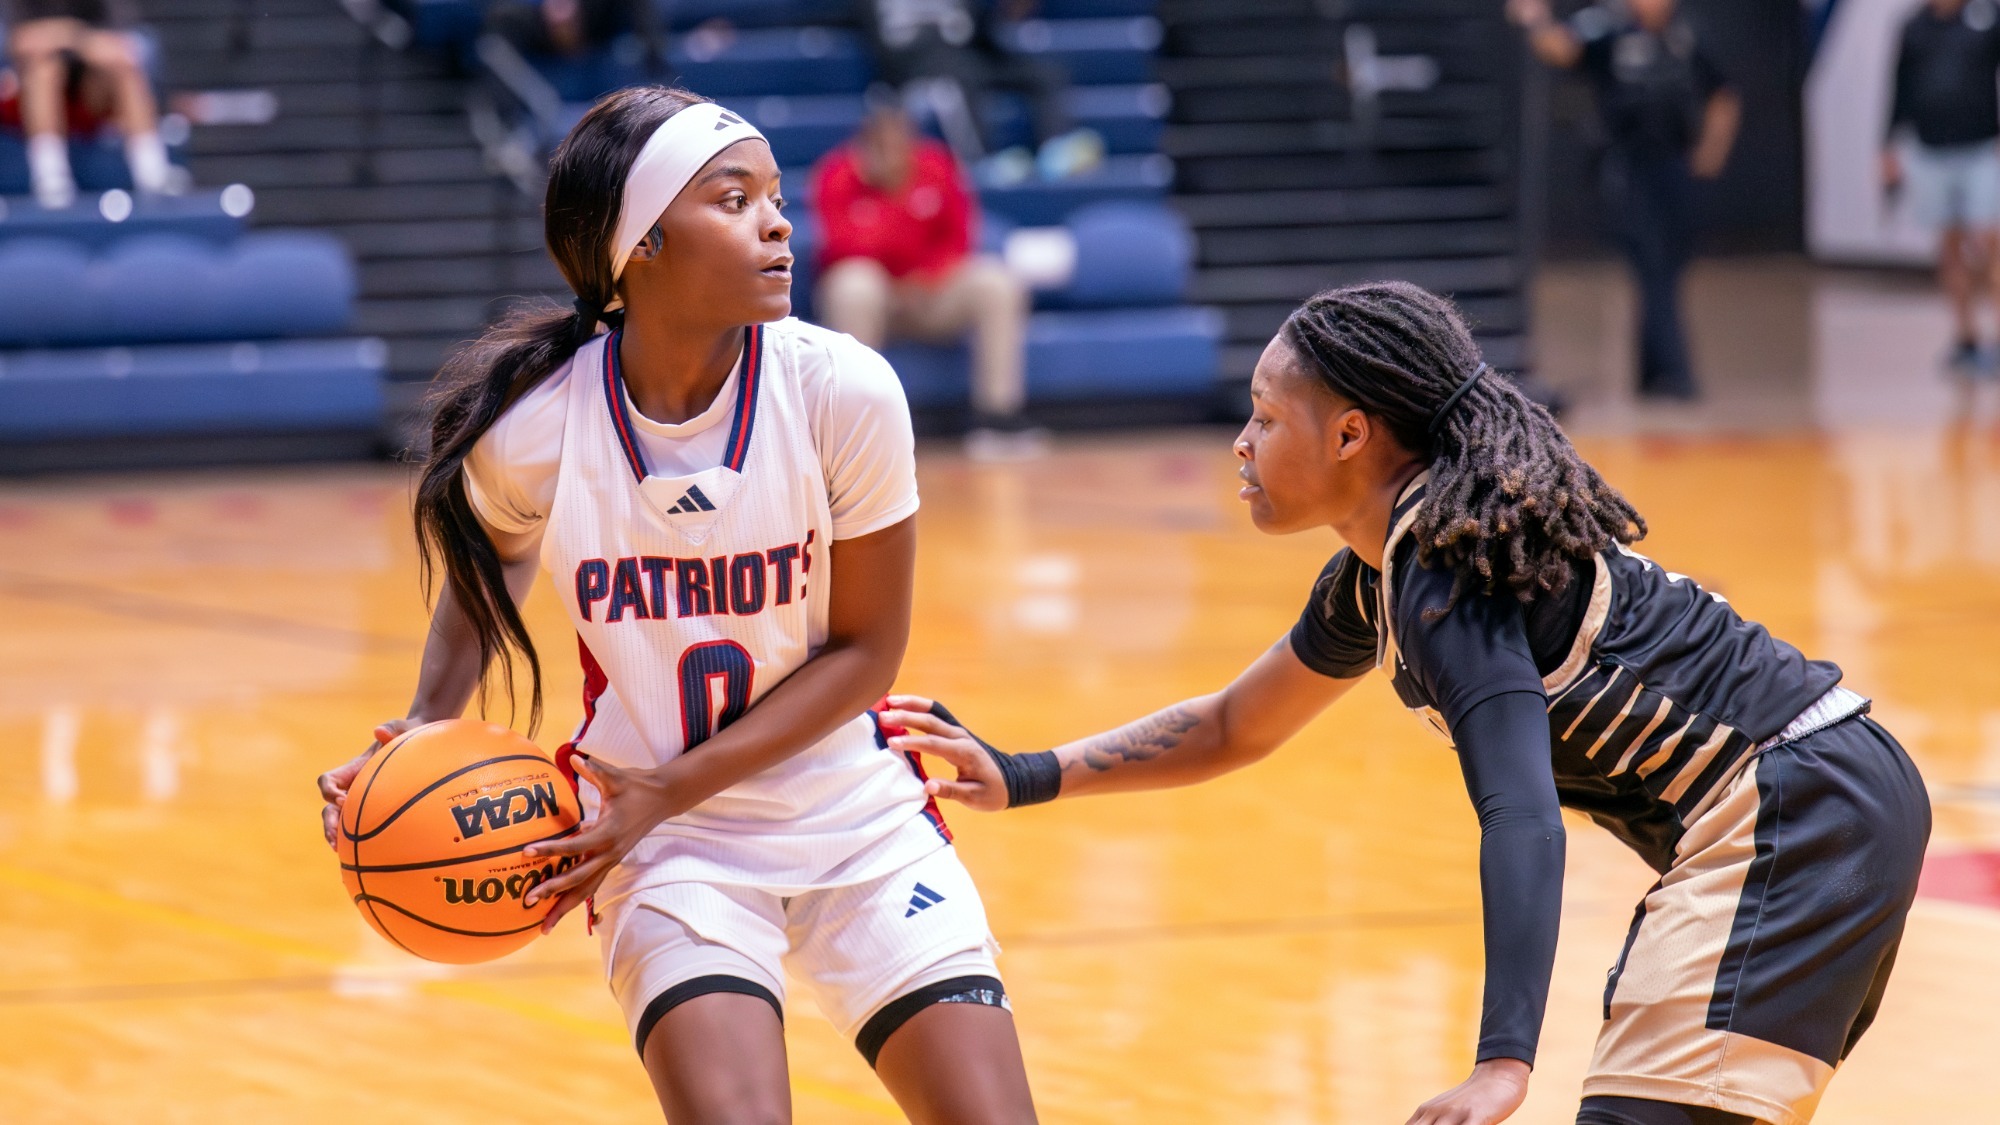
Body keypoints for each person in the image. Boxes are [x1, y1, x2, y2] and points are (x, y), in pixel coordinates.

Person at [888, 282, 1930, 1125]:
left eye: (1264, 419)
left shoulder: (1444, 570)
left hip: (1794, 810)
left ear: (1350, 435)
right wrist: (1023, 774)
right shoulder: (1379, 575)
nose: (1240, 444)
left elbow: (1518, 811)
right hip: (1815, 799)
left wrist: (1501, 1061)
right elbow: (1234, 723)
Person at [314, 87, 1037, 1125]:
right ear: (640, 245)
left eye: (775, 197)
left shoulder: (842, 391)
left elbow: (867, 653)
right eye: (735, 201)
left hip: (852, 818)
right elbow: (488, 565)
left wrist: (667, 785)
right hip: (664, 846)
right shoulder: (540, 427)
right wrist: (419, 741)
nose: (778, 223)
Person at [1508, 0, 1739, 401]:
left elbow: (1723, 93)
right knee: (1651, 265)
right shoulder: (1608, 27)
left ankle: (1651, 374)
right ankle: (1678, 375)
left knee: (1668, 269)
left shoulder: (1686, 36)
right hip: (1628, 168)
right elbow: (1561, 49)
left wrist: (1710, 153)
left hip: (1675, 167)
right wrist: (1536, 21)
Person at [813, 104, 1044, 460]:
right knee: (854, 283)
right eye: (881, 147)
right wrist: (892, 199)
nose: (892, 155)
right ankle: (854, 426)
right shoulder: (838, 175)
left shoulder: (937, 165)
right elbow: (840, 246)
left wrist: (928, 277)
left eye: (899, 145)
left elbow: (959, 238)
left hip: (930, 295)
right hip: (877, 301)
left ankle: (997, 418)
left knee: (996, 282)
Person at [858, 0, 1103, 183]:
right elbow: (881, 44)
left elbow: (980, 30)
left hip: (973, 60)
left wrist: (1007, 14)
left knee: (1043, 74)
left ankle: (1054, 147)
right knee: (955, 83)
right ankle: (980, 162)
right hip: (926, 72)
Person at [1882, 0, 2000, 370]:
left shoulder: (1987, 17)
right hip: (1931, 152)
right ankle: (1965, 337)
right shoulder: (1914, 27)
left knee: (1990, 241)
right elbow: (1899, 89)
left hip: (1981, 149)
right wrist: (1886, 146)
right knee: (1950, 249)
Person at [5, 0, 178, 208]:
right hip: (31, 97)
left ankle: (152, 175)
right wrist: (78, 36)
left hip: (91, 95)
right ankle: (51, 179)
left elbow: (120, 45)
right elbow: (21, 42)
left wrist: (63, 37)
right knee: (45, 72)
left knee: (125, 71)